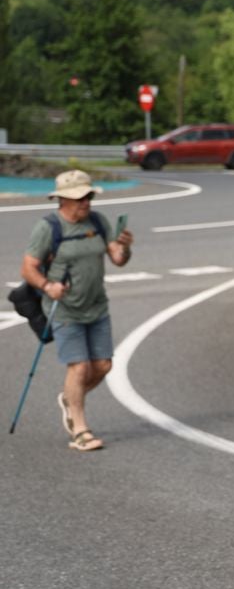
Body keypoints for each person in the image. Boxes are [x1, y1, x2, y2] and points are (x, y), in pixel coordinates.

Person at [20, 170, 134, 452]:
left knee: (104, 365)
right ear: (62, 200)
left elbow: (118, 259)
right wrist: (48, 286)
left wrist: (125, 248)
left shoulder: (97, 221)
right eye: (80, 198)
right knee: (79, 366)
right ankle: (80, 429)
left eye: (89, 196)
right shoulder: (48, 228)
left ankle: (70, 399)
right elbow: (28, 268)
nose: (86, 202)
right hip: (64, 309)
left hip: (97, 306)